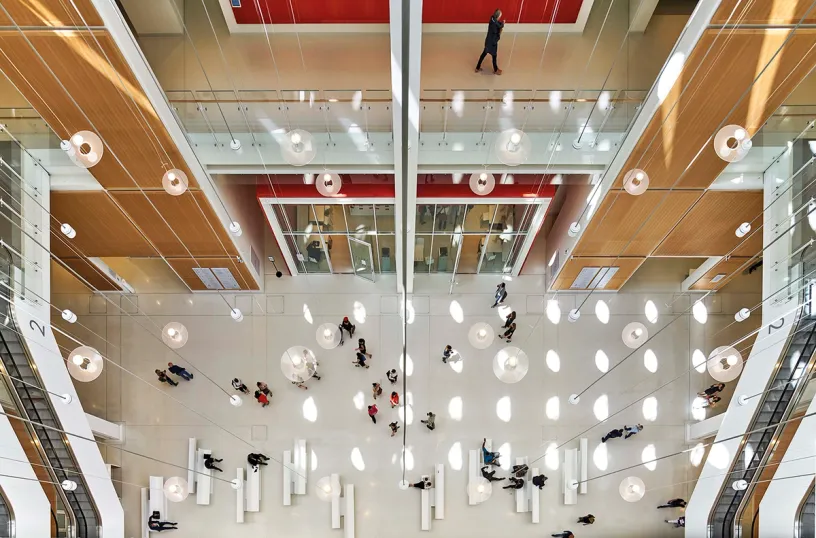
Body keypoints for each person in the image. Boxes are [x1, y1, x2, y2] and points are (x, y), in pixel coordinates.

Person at [475, 9, 504, 75]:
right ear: (498, 16)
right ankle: (496, 70)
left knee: (483, 54)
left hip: (488, 41)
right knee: (494, 56)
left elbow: (498, 23)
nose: (500, 17)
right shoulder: (495, 26)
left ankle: (477, 67)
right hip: (492, 43)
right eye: (500, 16)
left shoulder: (492, 19)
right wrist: (500, 32)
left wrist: (501, 24)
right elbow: (497, 34)